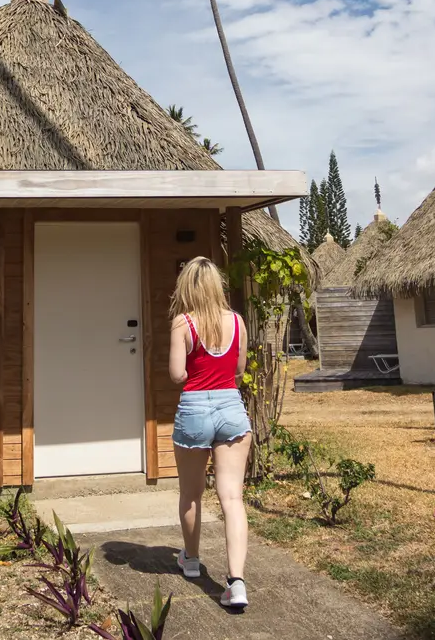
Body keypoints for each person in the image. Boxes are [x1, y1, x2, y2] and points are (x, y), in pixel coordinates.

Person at [167, 256, 252, 611]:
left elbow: (176, 374)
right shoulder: (237, 321)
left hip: (195, 408)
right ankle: (236, 582)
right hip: (231, 407)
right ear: (218, 286)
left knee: (191, 494)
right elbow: (239, 368)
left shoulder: (182, 323)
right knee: (232, 498)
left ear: (186, 287)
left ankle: (190, 559)